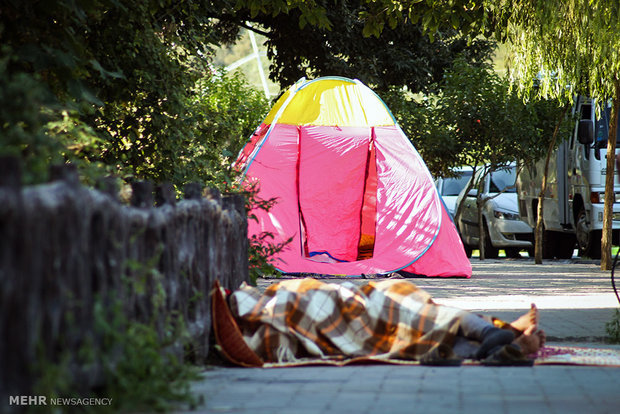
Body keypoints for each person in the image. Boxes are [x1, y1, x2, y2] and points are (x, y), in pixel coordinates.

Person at [228, 277, 546, 365]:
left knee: (404, 310)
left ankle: (495, 337)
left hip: (349, 299)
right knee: (411, 321)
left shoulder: (268, 304)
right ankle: (496, 339)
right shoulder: (268, 327)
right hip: (340, 310)